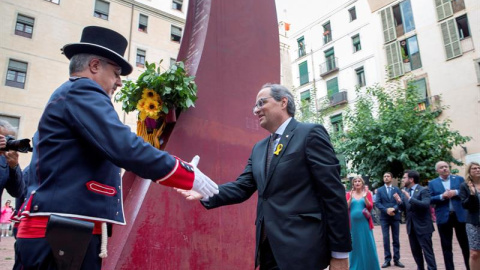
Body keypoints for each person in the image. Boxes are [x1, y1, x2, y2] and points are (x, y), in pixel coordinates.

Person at [14, 26, 218, 270]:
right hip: (62, 232)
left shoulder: (69, 96)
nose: (119, 82)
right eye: (116, 72)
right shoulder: (83, 90)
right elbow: (125, 147)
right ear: (95, 66)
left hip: (64, 229)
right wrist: (185, 174)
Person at [177, 83, 351, 270]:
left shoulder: (309, 134)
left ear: (283, 102)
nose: (256, 110)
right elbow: (242, 187)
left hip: (304, 250)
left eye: (261, 103)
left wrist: (340, 254)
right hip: (268, 251)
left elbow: (333, 194)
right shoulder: (259, 148)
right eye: (255, 106)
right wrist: (203, 188)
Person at [428, 161, 470, 270]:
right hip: (444, 217)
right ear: (437, 170)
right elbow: (430, 199)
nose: (445, 169)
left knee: (465, 245)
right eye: (441, 167)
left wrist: (455, 192)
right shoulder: (432, 183)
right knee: (446, 247)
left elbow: (466, 192)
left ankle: (470, 267)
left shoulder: (459, 179)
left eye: (446, 166)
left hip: (459, 216)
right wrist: (442, 196)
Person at [393, 170, 437, 270]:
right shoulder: (406, 191)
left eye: (404, 178)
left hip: (423, 227)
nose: (403, 180)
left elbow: (425, 205)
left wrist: (410, 198)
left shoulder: (423, 190)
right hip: (411, 227)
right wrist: (399, 202)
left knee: (427, 252)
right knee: (416, 252)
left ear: (411, 179)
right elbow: (406, 209)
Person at [346, 176, 381, 270]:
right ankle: (355, 267)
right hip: (353, 225)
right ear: (353, 184)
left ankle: (370, 266)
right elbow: (346, 207)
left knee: (367, 243)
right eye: (355, 181)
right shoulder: (349, 194)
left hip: (365, 223)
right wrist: (350, 198)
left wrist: (365, 198)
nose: (357, 183)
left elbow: (370, 207)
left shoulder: (367, 193)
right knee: (355, 245)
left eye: (359, 181)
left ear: (362, 183)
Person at [0, 120, 24, 237]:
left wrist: (14, 166)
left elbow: (18, 192)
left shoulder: (5, 160)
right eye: (2, 138)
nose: (5, 142)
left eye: (8, 139)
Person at [375, 172, 404, 268]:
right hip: (384, 218)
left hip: (395, 217)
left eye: (388, 176)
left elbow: (400, 201)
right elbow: (378, 203)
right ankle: (387, 260)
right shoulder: (379, 190)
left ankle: (397, 259)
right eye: (384, 176)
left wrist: (394, 209)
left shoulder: (396, 189)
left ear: (391, 178)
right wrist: (386, 210)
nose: (386, 178)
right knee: (385, 239)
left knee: (396, 239)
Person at [459, 162, 480, 270]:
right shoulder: (465, 186)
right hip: (473, 222)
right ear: (469, 172)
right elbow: (465, 205)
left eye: (478, 168)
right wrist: (472, 194)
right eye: (474, 168)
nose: (477, 170)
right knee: (474, 253)